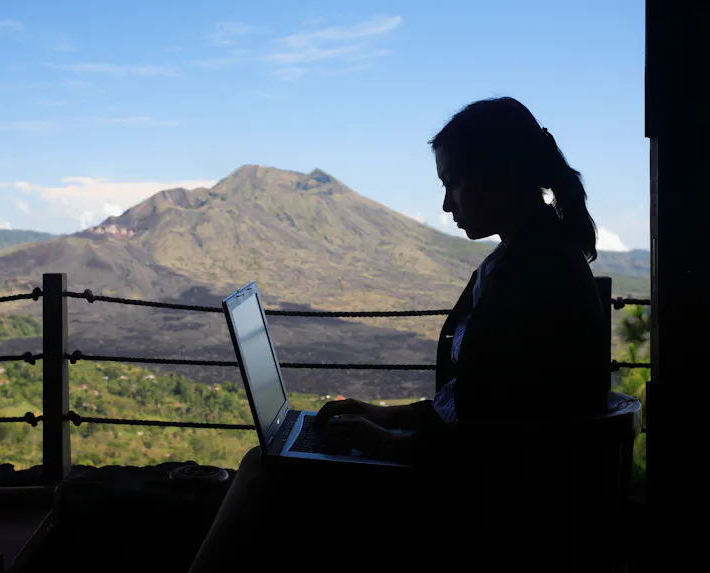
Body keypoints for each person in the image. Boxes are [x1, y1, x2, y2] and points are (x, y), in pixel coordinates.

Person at [188, 97, 611, 572]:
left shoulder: (538, 275)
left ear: (501, 172)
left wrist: (388, 444)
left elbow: (504, 445)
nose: (447, 204)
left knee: (264, 471)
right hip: (483, 491)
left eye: (453, 182)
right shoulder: (526, 260)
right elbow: (481, 403)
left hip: (488, 513)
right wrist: (384, 416)